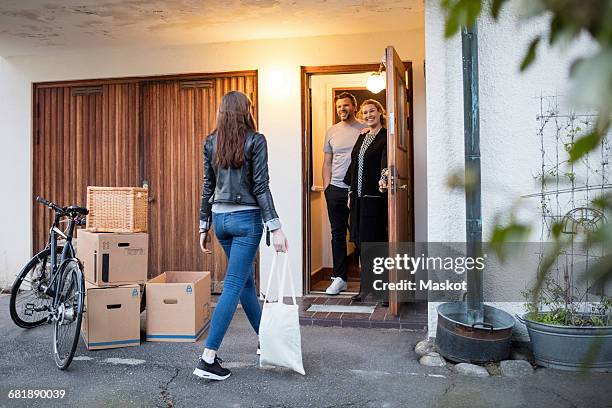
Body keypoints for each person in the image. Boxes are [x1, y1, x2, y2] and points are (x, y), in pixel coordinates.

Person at [194, 91, 288, 381]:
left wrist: (203, 224)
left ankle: (266, 341)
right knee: (234, 285)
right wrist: (275, 225)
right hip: (246, 220)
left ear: (222, 112)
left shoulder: (211, 141)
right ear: (246, 110)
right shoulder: (256, 140)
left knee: (246, 282)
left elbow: (207, 186)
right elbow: (261, 186)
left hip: (221, 221)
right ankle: (207, 358)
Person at [343, 99, 388, 304]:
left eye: (372, 111)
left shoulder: (386, 137)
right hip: (358, 199)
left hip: (374, 198)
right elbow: (354, 166)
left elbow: (386, 164)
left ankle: (385, 291)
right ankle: (365, 288)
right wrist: (351, 194)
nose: (369, 115)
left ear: (380, 112)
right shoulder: (362, 137)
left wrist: (384, 179)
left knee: (376, 244)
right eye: (365, 112)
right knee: (361, 244)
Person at [322, 92, 367, 295]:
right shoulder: (331, 131)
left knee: (360, 234)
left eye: (346, 105)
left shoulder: (364, 128)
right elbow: (327, 162)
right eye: (339, 106)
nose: (342, 109)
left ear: (354, 107)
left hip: (358, 190)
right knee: (337, 234)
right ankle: (340, 278)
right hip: (336, 190)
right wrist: (327, 188)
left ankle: (368, 278)